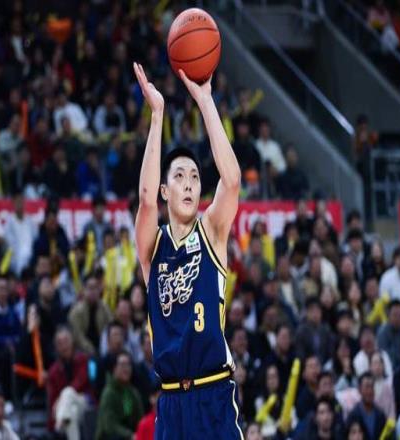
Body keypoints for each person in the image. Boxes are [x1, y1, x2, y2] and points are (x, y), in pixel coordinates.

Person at [133, 62, 243, 439]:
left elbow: (232, 180)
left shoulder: (212, 230)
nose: (189, 184)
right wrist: (157, 115)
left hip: (213, 393)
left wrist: (206, 101)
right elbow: (145, 200)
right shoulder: (153, 246)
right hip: (171, 402)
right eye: (179, 176)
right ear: (166, 191)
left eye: (195, 177)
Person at [47, 327, 94, 440]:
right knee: (71, 413)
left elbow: (80, 381)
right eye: (60, 343)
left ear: (72, 342)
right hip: (66, 408)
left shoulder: (83, 359)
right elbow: (52, 398)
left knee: (68, 392)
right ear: (56, 347)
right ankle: (62, 420)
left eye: (66, 341)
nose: (64, 346)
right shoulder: (53, 371)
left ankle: (59, 424)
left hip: (83, 400)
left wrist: (62, 397)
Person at [95, 351, 143, 440]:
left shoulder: (133, 392)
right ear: (114, 369)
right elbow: (109, 426)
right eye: (122, 365)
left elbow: (140, 420)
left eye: (129, 365)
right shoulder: (109, 393)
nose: (126, 369)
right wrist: (130, 435)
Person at [68, 271, 112, 356]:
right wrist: (92, 350)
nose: (93, 291)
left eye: (96, 288)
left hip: (103, 350)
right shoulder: (75, 312)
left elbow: (110, 328)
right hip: (82, 352)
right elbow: (78, 337)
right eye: (90, 288)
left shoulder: (105, 308)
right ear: (83, 290)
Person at [4, 192, 36, 276]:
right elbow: (9, 245)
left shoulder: (30, 221)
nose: (20, 204)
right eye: (17, 201)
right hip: (15, 260)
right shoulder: (9, 222)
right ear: (13, 203)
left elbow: (35, 239)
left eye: (21, 201)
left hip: (30, 259)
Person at [346, 373, 386, 440]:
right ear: (359, 390)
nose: (370, 391)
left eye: (372, 387)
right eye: (367, 387)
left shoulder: (380, 415)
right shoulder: (353, 415)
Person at [376, 299, 400, 368]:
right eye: (395, 315)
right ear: (388, 315)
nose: (398, 318)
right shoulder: (382, 332)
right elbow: (384, 358)